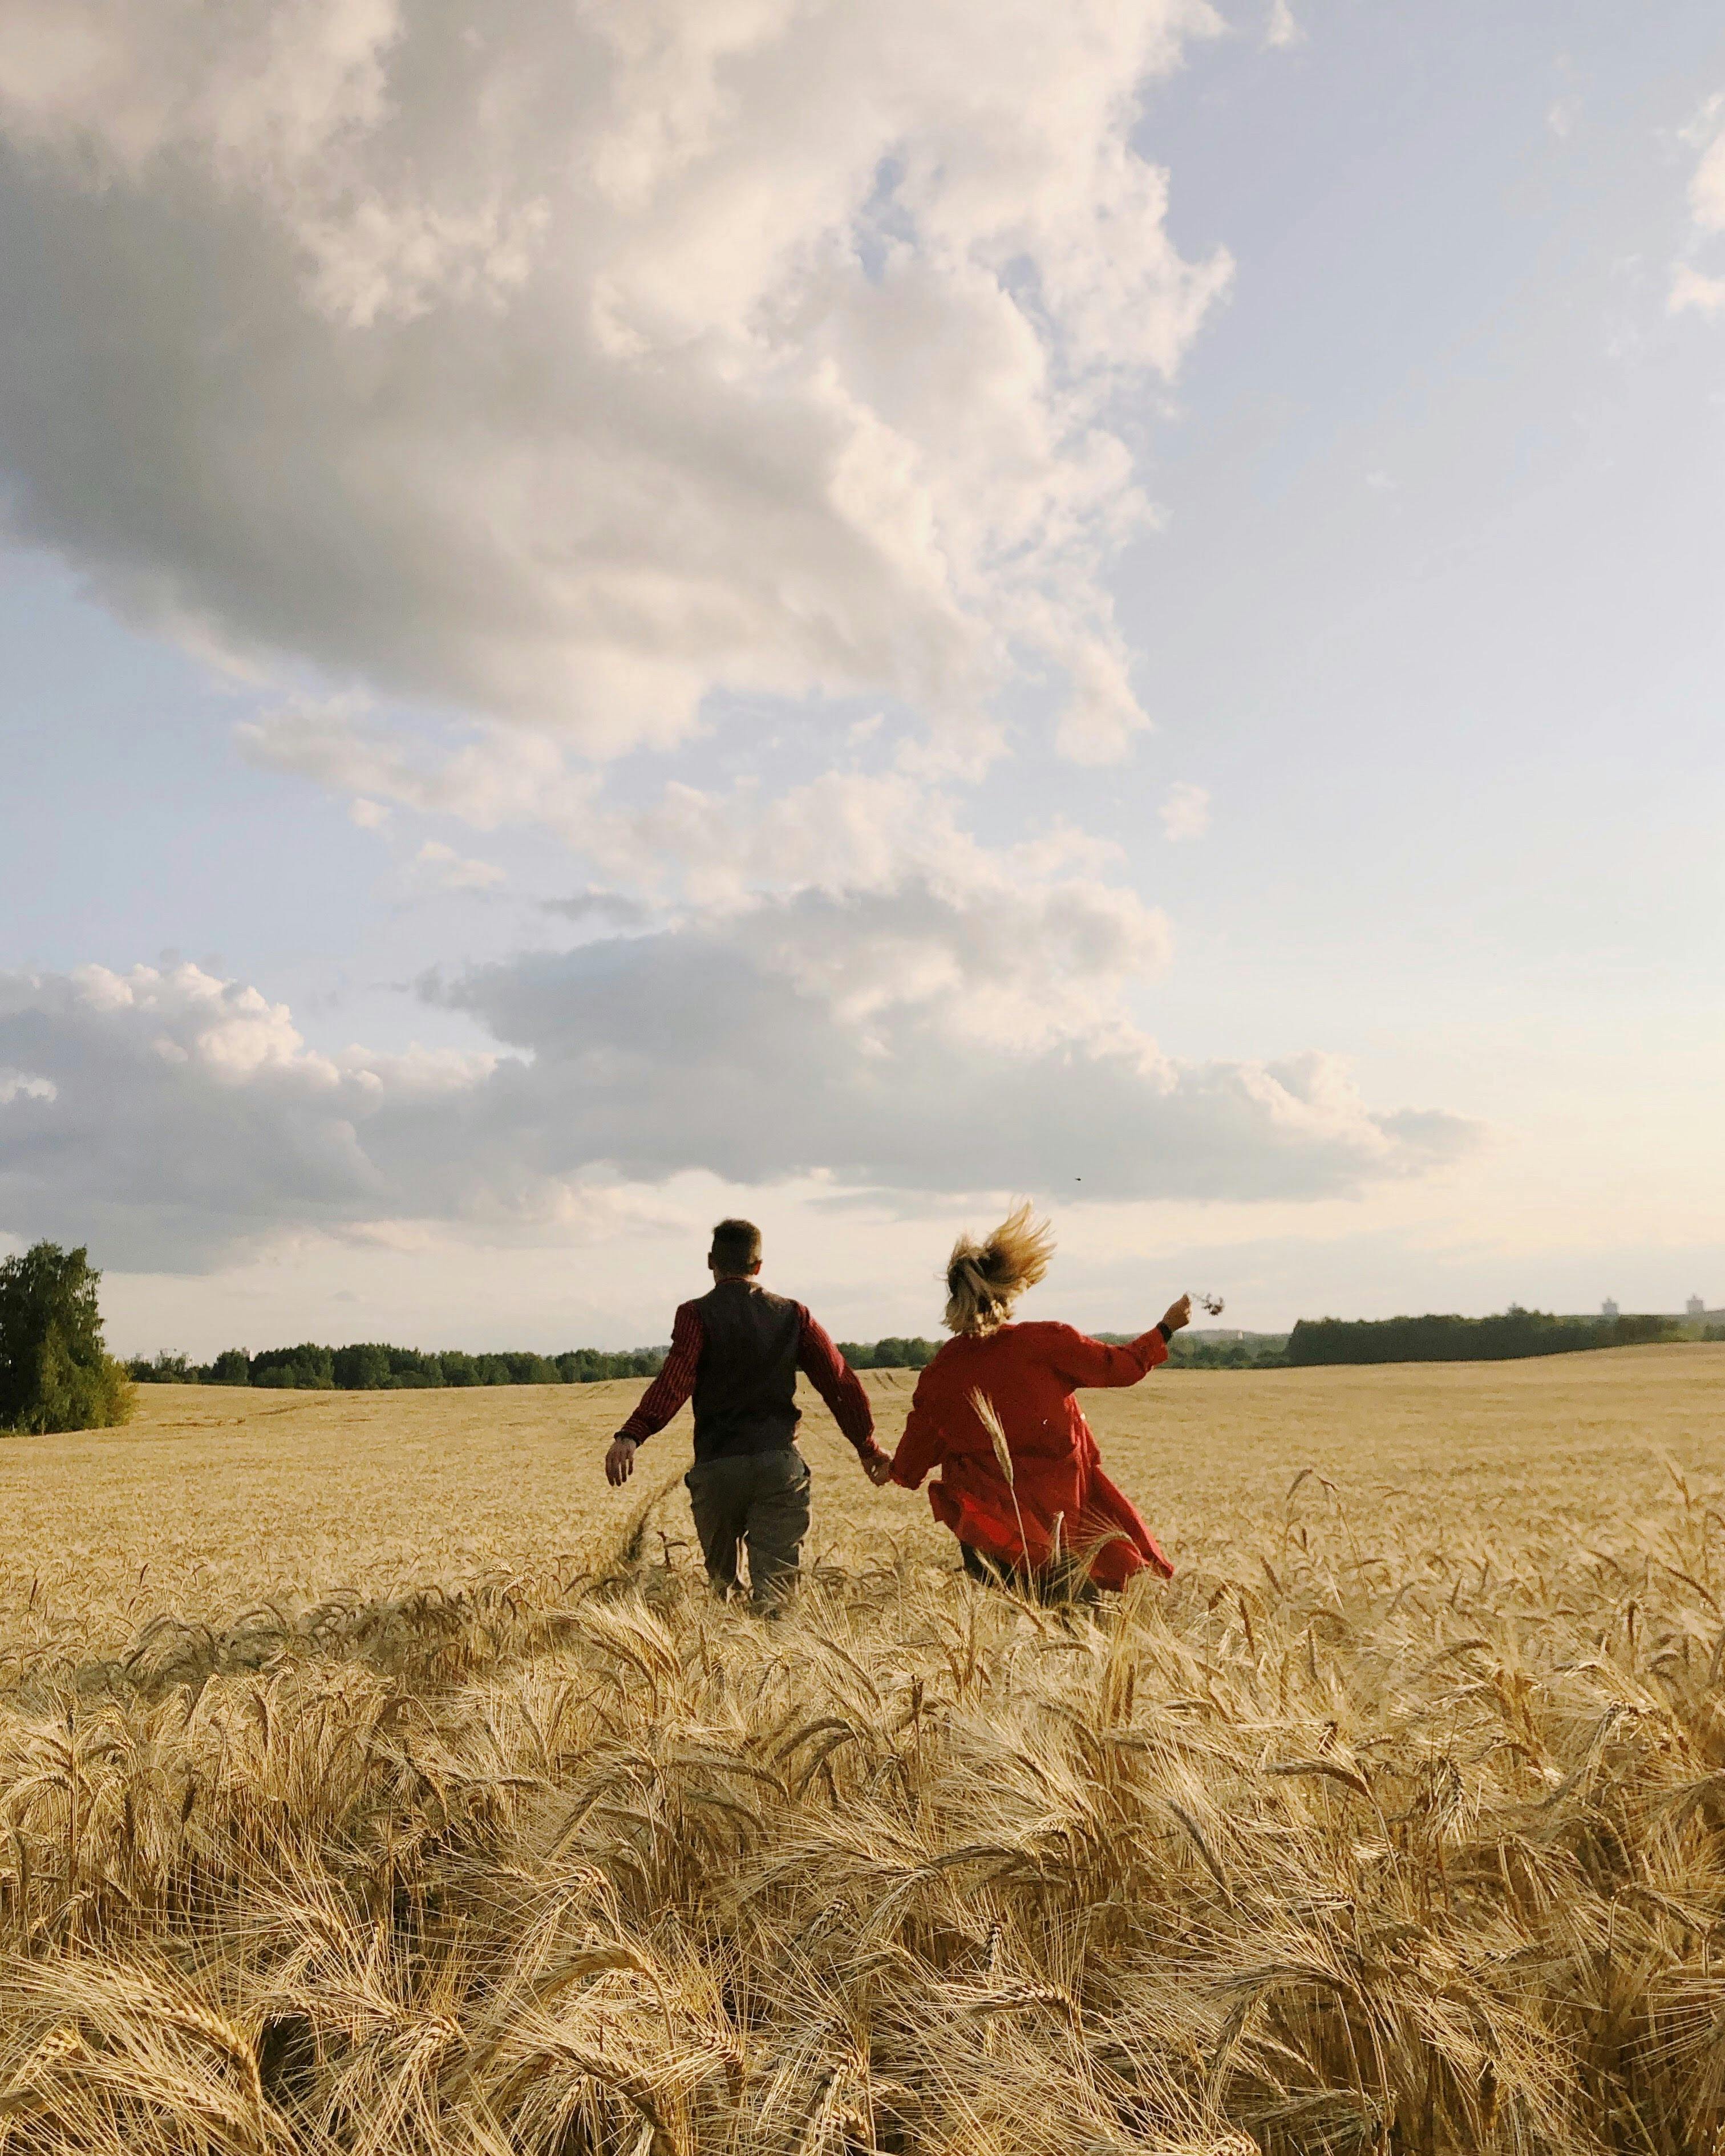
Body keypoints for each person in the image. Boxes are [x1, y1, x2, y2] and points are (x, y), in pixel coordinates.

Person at [875, 1204, 1188, 1594]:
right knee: (1079, 1623)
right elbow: (1117, 1367)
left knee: (1012, 1631)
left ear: (954, 1302)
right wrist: (1166, 1328)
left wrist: (890, 1468)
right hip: (1063, 1528)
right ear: (1009, 1290)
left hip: (991, 1536)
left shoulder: (942, 1373)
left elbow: (916, 1456)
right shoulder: (1046, 1343)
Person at [605, 1218, 890, 1608]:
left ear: (711, 1262)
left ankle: (726, 1662)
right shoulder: (794, 1315)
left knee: (724, 1598)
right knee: (777, 1599)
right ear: (758, 1266)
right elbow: (839, 1381)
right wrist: (867, 1445)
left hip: (717, 1469)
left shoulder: (695, 1315)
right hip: (778, 1467)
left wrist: (632, 1434)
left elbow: (675, 1381)